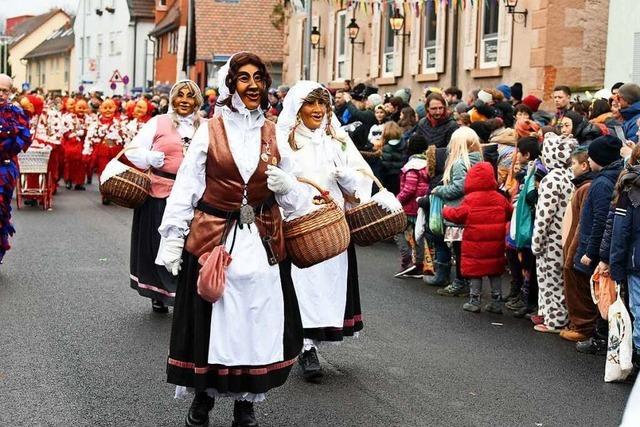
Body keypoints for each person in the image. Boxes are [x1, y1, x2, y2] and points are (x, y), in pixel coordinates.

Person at [155, 53, 305, 427]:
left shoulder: (273, 133)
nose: (253, 85)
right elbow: (187, 186)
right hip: (214, 238)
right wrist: (173, 237)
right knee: (213, 318)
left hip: (261, 238)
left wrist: (288, 186)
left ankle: (245, 404)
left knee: (255, 319)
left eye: (259, 78)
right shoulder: (210, 129)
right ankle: (203, 398)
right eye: (244, 78)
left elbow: (294, 194)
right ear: (231, 85)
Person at [276, 81, 372, 383]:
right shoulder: (283, 142)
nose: (317, 110)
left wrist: (348, 179)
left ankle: (312, 342)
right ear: (297, 108)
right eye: (310, 104)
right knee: (300, 287)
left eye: (322, 104)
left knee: (326, 289)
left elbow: (360, 187)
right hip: (299, 225)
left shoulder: (335, 143)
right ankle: (305, 347)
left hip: (331, 230)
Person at [126, 80, 204, 314]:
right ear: (172, 98)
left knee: (190, 245)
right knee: (158, 243)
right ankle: (158, 293)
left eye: (190, 96)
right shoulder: (158, 122)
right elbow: (132, 151)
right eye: (180, 95)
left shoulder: (205, 126)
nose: (184, 100)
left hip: (195, 195)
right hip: (160, 191)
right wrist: (149, 157)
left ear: (197, 101)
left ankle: (185, 292)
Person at [443, 162, 513, 313]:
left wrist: (446, 210)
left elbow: (458, 215)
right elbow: (510, 212)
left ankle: (474, 301)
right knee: (494, 271)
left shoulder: (470, 199)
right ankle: (496, 302)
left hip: (475, 244)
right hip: (496, 244)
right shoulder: (499, 198)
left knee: (476, 271)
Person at [531, 133, 577, 333]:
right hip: (566, 236)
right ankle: (555, 315)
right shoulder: (570, 175)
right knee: (560, 281)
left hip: (551, 239)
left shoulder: (551, 180)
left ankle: (554, 320)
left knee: (550, 280)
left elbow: (544, 215)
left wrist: (536, 241)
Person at [432, 127, 483, 297]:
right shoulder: (480, 161)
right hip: (474, 211)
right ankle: (468, 282)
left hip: (458, 213)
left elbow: (459, 187)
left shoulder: (461, 163)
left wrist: (439, 190)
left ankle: (460, 282)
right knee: (468, 251)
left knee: (459, 250)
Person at [560, 146, 597, 342]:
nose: (571, 168)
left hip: (577, 246)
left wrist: (571, 252)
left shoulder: (586, 187)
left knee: (578, 286)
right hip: (574, 244)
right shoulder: (582, 186)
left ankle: (583, 326)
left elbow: (582, 223)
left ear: (584, 166)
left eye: (573, 163)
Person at [609, 145, 640, 366]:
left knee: (638, 311)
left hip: (636, 261)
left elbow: (620, 233)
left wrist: (615, 266)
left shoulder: (630, 189)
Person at [0, 74, 31, 262]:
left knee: (1, 210)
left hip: (4, 170)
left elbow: (22, 140)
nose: (1, 94)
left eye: (4, 90)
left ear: (11, 92)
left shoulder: (16, 113)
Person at [394, 134, 429, 279]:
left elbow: (409, 189)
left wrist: (396, 201)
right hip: (422, 204)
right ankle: (419, 264)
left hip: (410, 206)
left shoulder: (411, 166)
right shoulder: (428, 163)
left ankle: (407, 260)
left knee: (398, 230)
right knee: (418, 234)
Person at [86, 98, 126, 203]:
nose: (108, 110)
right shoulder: (95, 124)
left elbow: (125, 137)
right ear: (100, 109)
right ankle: (105, 194)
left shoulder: (119, 123)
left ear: (115, 108)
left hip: (115, 152)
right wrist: (88, 150)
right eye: (105, 108)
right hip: (102, 152)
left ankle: (114, 192)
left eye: (110, 107)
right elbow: (90, 137)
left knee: (115, 173)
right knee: (103, 172)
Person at [379, 121, 405, 195]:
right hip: (401, 176)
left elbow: (384, 165)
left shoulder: (385, 148)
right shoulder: (404, 145)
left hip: (389, 178)